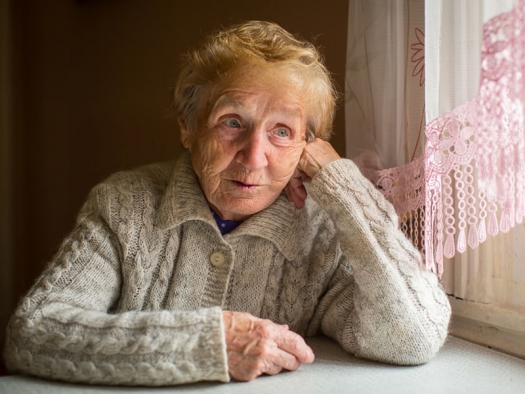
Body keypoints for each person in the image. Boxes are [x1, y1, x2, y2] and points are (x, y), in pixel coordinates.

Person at [3, 20, 451, 386]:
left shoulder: (324, 233)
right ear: (188, 126)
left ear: (308, 147)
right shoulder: (124, 205)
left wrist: (342, 185)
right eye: (232, 122)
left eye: (283, 132)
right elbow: (34, 332)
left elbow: (414, 335)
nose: (255, 156)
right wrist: (206, 343)